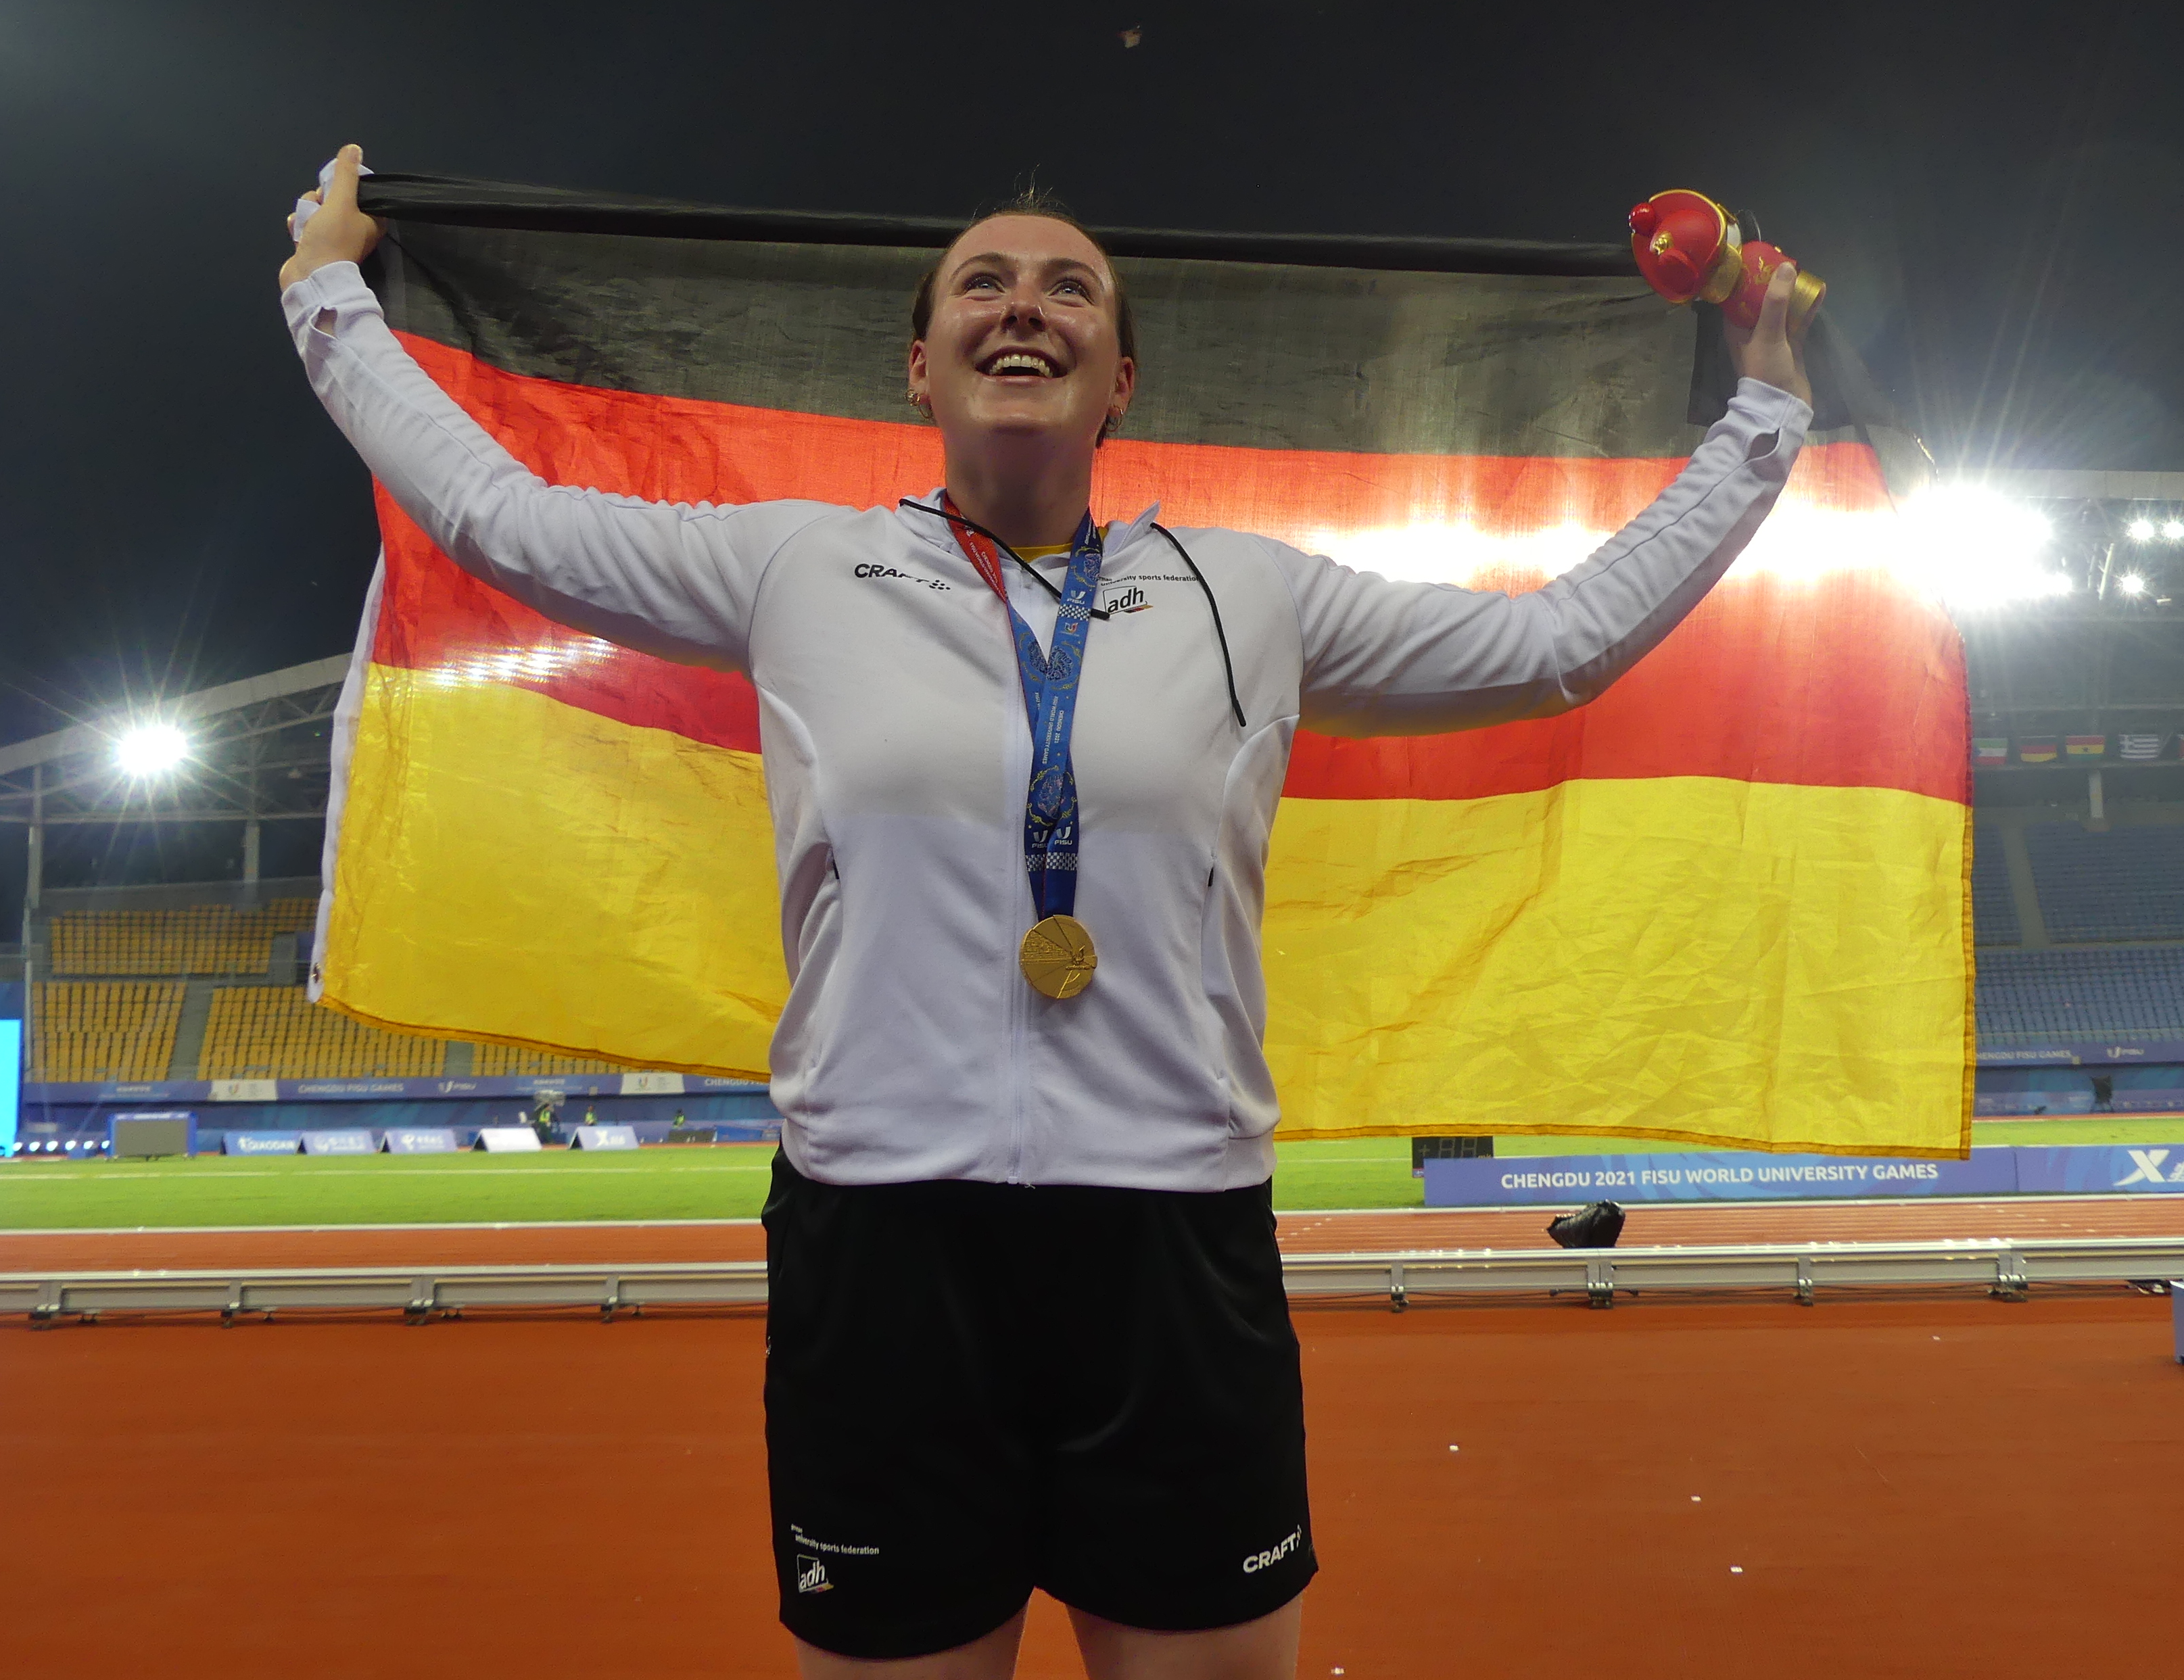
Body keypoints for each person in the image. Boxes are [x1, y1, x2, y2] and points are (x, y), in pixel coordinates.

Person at [279, 145, 1812, 1679]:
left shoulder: (1249, 595)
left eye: (1070, 286)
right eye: (983, 282)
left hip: (1169, 1249)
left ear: (1119, 377)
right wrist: (326, 294)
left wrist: (1764, 406)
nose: (1025, 305)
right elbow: (502, 516)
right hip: (883, 1249)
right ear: (919, 366)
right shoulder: (797, 567)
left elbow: (1556, 645)